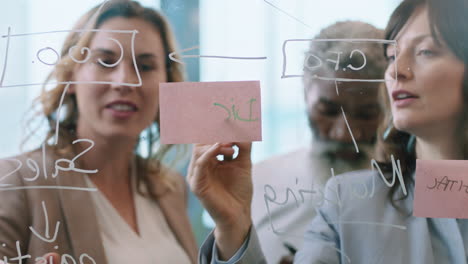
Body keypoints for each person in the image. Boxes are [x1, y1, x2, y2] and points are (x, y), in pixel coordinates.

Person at [188, 0, 468, 263]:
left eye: (426, 51)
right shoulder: (345, 200)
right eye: (393, 55)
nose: (344, 133)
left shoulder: (432, 186)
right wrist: (233, 226)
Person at [0, 1, 197, 263]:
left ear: (167, 84)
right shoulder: (14, 181)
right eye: (105, 62)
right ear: (70, 76)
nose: (125, 81)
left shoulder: (170, 189)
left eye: (146, 66)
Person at [251, 20, 386, 264]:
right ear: (305, 94)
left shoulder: (418, 187)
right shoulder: (257, 181)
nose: (344, 134)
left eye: (366, 114)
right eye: (328, 111)